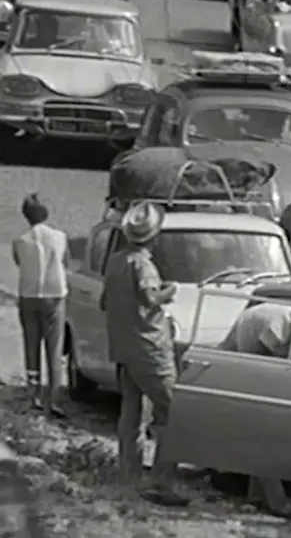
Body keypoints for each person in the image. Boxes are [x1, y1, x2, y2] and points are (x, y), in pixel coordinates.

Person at [99, 201, 189, 507]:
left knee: (132, 413)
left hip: (124, 346)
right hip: (149, 348)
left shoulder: (115, 261)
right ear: (154, 235)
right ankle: (163, 481)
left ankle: (130, 477)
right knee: (174, 413)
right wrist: (170, 291)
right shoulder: (143, 264)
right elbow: (151, 298)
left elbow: (105, 302)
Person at [218, 302, 291, 516]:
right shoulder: (284, 322)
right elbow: (264, 350)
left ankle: (256, 497)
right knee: (263, 434)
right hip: (244, 355)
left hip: (248, 351)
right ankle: (277, 501)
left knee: (259, 432)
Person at [11, 194, 68, 419]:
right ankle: (54, 397)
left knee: (31, 345)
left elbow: (18, 262)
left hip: (29, 295)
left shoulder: (19, 241)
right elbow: (65, 263)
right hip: (54, 296)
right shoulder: (60, 237)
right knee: (54, 348)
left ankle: (33, 393)